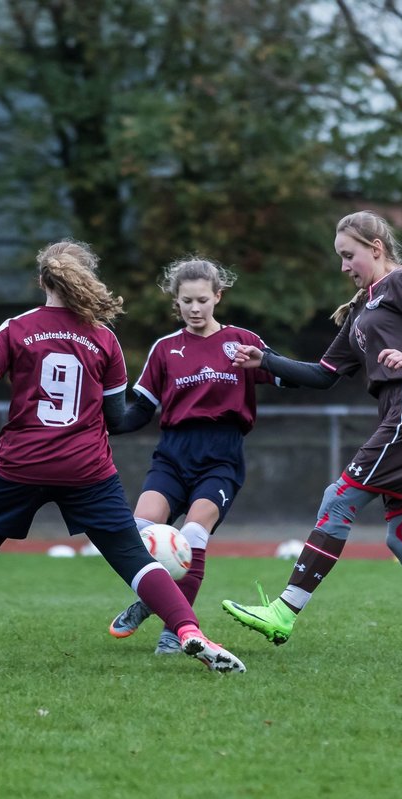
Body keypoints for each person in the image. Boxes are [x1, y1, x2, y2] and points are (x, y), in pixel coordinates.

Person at [0, 239, 245, 673]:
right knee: (134, 557)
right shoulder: (103, 337)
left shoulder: (17, 328)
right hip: (87, 468)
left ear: (43, 280)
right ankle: (190, 631)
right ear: (86, 278)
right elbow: (116, 418)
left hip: (22, 465)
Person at [219, 210, 402, 659]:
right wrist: (266, 361)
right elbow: (322, 374)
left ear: (376, 248)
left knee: (339, 497)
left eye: (349, 255)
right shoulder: (360, 310)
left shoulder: (400, 283)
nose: (344, 266)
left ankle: (284, 611)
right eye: (340, 258)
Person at [105, 257, 277, 655]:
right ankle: (152, 598)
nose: (195, 308)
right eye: (186, 301)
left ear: (218, 296)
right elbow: (137, 412)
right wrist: (96, 421)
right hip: (173, 455)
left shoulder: (241, 342)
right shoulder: (166, 349)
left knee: (193, 535)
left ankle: (173, 629)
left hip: (221, 458)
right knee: (138, 530)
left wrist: (328, 370)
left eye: (202, 299)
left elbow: (286, 372)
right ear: (176, 302)